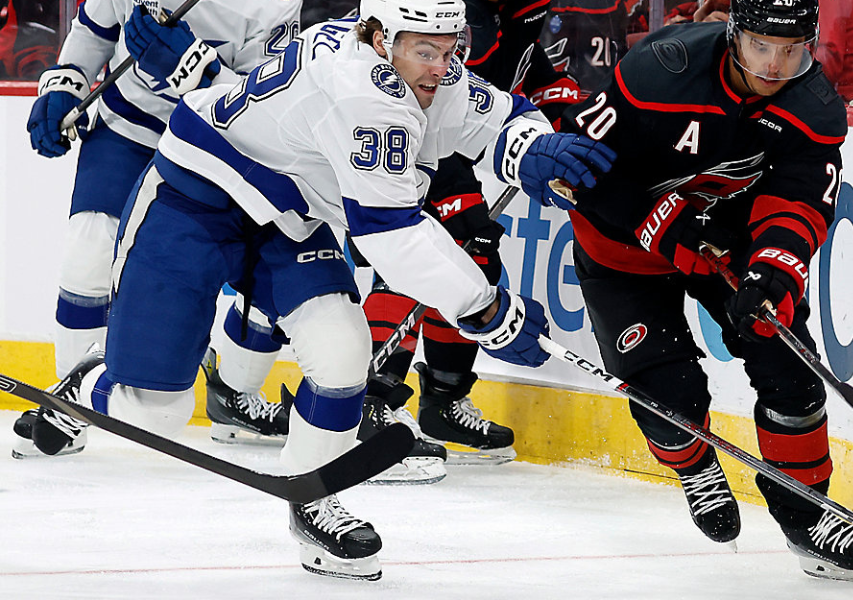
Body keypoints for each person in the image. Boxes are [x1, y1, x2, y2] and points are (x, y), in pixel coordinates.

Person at [28, 0, 614, 580]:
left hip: (286, 216)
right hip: (196, 195)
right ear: (381, 39)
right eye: (426, 51)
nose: (442, 66)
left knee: (343, 351)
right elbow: (392, 236)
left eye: (449, 48)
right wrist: (485, 310)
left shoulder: (411, 60)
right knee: (155, 412)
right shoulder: (364, 93)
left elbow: (493, 114)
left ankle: (314, 496)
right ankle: (88, 384)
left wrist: (533, 146)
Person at [553, 0, 853, 583]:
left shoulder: (813, 106)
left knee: (791, 370)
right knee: (669, 394)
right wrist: (667, 225)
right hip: (621, 250)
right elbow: (580, 168)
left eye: (791, 50)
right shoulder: (660, 69)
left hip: (724, 247)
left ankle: (808, 514)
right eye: (761, 46)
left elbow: (800, 200)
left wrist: (774, 270)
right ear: (734, 35)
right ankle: (696, 469)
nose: (775, 65)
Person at [14, 0, 301, 458]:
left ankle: (234, 393)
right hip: (128, 127)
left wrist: (196, 69)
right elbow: (93, 29)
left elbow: (267, 106)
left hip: (216, 146)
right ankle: (70, 402)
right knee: (87, 250)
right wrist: (64, 83)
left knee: (273, 277)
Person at [354, 0, 583, 466]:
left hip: (458, 141)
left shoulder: (520, 11)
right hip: (407, 142)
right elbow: (440, 91)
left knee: (474, 260)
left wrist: (568, 124)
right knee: (416, 263)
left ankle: (444, 399)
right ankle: (369, 400)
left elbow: (525, 65)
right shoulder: (465, 12)